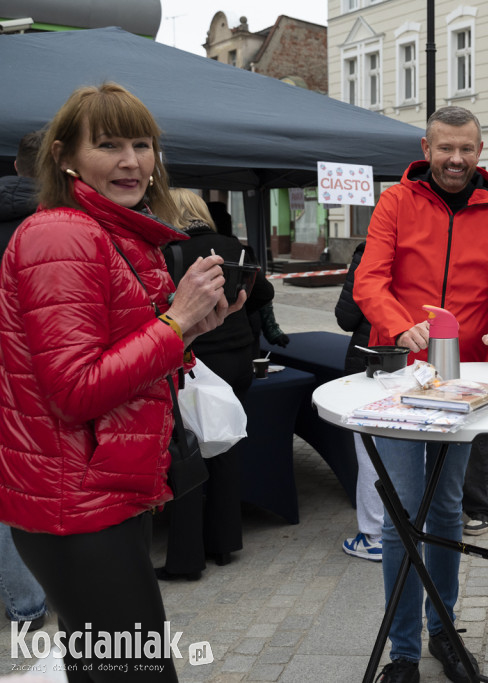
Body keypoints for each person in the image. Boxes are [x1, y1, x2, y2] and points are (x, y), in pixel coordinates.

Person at [0, 82, 244, 681]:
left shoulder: (111, 231)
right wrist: (176, 320)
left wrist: (189, 329)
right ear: (64, 156)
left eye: (142, 143)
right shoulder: (62, 235)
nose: (132, 160)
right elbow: (76, 389)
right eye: (108, 144)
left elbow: (121, 361)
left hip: (99, 493)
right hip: (77, 504)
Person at [353, 105, 488, 683]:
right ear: (426, 147)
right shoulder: (396, 203)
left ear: (481, 151)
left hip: (465, 382)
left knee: (449, 508)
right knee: (403, 515)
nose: (456, 160)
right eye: (446, 148)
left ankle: (444, 632)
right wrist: (397, 323)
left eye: (467, 150)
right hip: (404, 381)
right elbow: (369, 281)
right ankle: (402, 652)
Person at [155, 189, 275, 580]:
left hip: (194, 360)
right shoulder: (231, 245)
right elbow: (264, 293)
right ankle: (223, 543)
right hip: (238, 356)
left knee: (186, 452)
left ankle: (187, 559)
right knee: (223, 445)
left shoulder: (169, 249)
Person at [0, 130, 50, 634]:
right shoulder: (63, 225)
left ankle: (25, 604)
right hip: (41, 374)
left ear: (15, 167)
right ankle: (46, 592)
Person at [334, 240, 384, 561]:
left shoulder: (369, 251)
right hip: (420, 361)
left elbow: (346, 317)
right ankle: (411, 524)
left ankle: (374, 535)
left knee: (370, 451)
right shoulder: (431, 245)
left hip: (371, 362)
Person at [206, 200, 290, 350]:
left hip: (241, 325)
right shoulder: (239, 250)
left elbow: (262, 292)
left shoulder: (242, 251)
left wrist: (271, 329)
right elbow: (263, 293)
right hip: (234, 325)